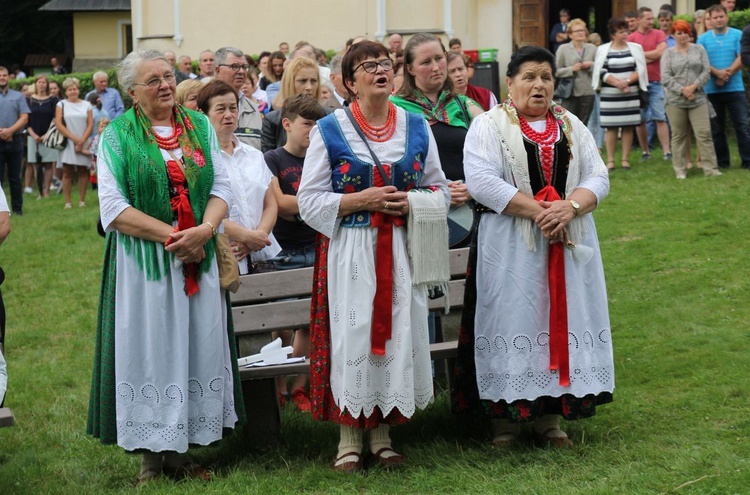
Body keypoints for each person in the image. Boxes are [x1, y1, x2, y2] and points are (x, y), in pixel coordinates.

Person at [87, 49, 244, 486]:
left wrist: (205, 229)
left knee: (197, 344)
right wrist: (176, 237)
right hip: (147, 265)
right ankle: (150, 461)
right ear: (132, 92)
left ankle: (182, 451)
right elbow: (113, 209)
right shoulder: (117, 135)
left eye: (169, 76)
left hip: (199, 255)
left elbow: (222, 185)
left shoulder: (197, 127)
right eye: (153, 80)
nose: (165, 85)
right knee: (151, 349)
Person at [297, 40, 450, 472]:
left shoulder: (417, 125)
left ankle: (383, 436)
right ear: (349, 82)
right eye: (369, 66)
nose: (381, 71)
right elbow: (308, 200)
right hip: (352, 250)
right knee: (355, 336)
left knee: (397, 334)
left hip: (402, 249)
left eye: (385, 64)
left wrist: (413, 202)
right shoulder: (329, 130)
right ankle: (349, 438)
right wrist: (358, 200)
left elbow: (439, 187)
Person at [452, 45, 614, 448]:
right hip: (511, 247)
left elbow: (598, 176)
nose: (539, 84)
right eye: (529, 76)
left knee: (563, 318)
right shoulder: (488, 125)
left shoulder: (571, 124)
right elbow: (482, 181)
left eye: (545, 77)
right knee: (512, 319)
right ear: (510, 83)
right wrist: (541, 212)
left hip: (567, 239)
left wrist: (570, 206)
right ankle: (505, 422)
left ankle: (551, 420)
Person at [262, 94, 326, 411]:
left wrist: (303, 206)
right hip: (284, 252)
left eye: (318, 124)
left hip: (315, 246)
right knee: (282, 323)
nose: (313, 131)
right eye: (307, 124)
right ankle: (278, 384)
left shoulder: (322, 157)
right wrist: (315, 205)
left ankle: (300, 386)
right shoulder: (273, 159)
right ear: (287, 124)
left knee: (309, 323)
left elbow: (326, 200)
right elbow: (281, 205)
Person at [197, 80, 280, 276]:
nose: (229, 115)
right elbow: (201, 211)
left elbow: (270, 203)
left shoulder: (254, 155)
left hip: (262, 254)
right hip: (223, 258)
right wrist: (246, 237)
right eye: (220, 109)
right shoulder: (199, 159)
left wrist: (256, 239)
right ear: (203, 114)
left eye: (233, 108)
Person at [661, 20, 722, 179]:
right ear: (673, 35)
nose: (683, 36)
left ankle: (711, 169)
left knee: (704, 134)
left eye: (685, 32)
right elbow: (666, 78)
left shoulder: (699, 49)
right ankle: (680, 170)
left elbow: (706, 71)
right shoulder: (668, 53)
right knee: (679, 135)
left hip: (698, 98)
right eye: (679, 33)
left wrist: (693, 87)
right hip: (675, 100)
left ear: (690, 34)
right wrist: (683, 91)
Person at [698, 4, 750, 169]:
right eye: (715, 17)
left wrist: (726, 74)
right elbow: (702, 61)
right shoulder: (703, 39)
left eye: (721, 16)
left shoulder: (737, 34)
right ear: (710, 20)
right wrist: (717, 74)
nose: (719, 20)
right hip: (712, 89)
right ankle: (722, 162)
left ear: (727, 17)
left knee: (742, 125)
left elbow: (742, 56)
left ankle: (747, 160)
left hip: (735, 89)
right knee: (716, 128)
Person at [593, 17, 648, 171]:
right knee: (611, 127)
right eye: (621, 32)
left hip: (630, 92)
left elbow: (641, 69)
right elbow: (600, 71)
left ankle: (625, 159)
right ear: (613, 34)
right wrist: (618, 83)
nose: (625, 34)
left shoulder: (635, 48)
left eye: (626, 31)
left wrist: (627, 82)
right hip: (610, 93)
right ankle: (610, 160)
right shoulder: (603, 49)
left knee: (628, 127)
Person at [628, 7, 671, 161]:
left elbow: (661, 53)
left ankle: (667, 152)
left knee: (660, 116)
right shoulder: (631, 37)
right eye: (648, 18)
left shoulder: (659, 34)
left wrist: (639, 56)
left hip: (656, 81)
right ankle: (645, 152)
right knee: (640, 120)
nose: (651, 21)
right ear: (639, 19)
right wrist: (650, 56)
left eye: (652, 18)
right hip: (637, 83)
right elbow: (630, 58)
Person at [262, 57, 321, 152]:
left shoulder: (329, 116)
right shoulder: (273, 120)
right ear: (289, 83)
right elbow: (268, 160)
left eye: (313, 81)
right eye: (303, 81)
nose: (309, 87)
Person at [215, 47, 263, 150]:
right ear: (218, 70)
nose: (241, 71)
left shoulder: (253, 108)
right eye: (234, 66)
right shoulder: (203, 105)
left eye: (244, 67)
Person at [55, 77, 93, 208]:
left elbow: (90, 124)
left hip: (84, 140)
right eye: (70, 89)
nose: (73, 91)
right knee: (67, 172)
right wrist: (75, 139)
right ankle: (68, 202)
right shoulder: (61, 104)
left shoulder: (86, 104)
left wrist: (82, 140)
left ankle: (82, 201)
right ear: (66, 91)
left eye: (75, 89)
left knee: (83, 171)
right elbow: (59, 124)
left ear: (78, 90)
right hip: (68, 142)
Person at [0, 66, 30, 216]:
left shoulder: (18, 96)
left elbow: (24, 117)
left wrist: (10, 131)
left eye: (4, 75)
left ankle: (17, 209)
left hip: (15, 140)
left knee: (15, 177)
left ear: (8, 77)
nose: (2, 78)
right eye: (0, 76)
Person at [555, 18, 597, 124]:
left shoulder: (592, 48)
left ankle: (582, 141)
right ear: (570, 34)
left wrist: (591, 65)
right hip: (570, 92)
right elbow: (556, 71)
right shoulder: (563, 49)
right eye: (577, 31)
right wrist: (571, 69)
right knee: (568, 123)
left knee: (584, 123)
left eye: (582, 30)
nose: (580, 33)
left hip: (588, 91)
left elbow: (601, 68)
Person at [26, 74, 59, 198]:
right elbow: (26, 119)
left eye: (44, 82)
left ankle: (47, 191)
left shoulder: (53, 100)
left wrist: (47, 134)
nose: (41, 84)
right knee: (36, 164)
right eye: (39, 82)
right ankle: (40, 191)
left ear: (47, 84)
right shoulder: (29, 100)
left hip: (48, 136)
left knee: (48, 164)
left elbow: (56, 118)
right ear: (35, 84)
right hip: (32, 136)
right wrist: (33, 134)